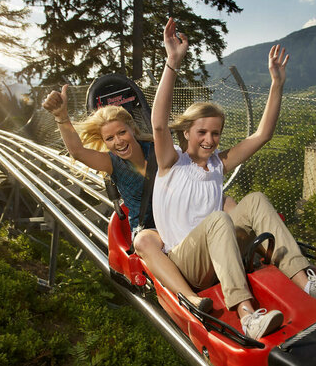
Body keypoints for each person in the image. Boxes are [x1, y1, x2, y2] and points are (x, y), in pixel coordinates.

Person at [150, 18, 316, 341]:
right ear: (187, 132)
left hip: (221, 249)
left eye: (215, 133)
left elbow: (262, 134)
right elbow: (159, 125)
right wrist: (172, 62)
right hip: (187, 260)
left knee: (254, 198)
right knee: (218, 218)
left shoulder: (218, 164)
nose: (209, 139)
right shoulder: (172, 162)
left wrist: (277, 84)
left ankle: (308, 282)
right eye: (202, 131)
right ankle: (247, 315)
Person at [42, 86, 224, 312]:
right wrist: (62, 117)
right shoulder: (113, 163)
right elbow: (78, 152)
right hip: (152, 228)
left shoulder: (160, 150)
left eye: (122, 133)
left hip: (182, 219)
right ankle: (190, 299)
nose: (118, 141)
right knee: (143, 242)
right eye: (109, 138)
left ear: (133, 130)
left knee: (226, 202)